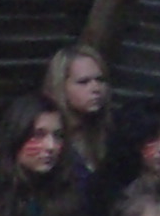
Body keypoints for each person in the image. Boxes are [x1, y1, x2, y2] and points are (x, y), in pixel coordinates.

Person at [40, 43, 116, 178]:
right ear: (61, 86)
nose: (96, 88)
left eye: (100, 80)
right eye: (83, 82)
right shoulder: (45, 139)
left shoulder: (109, 136)